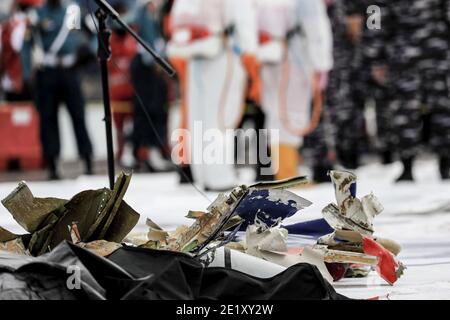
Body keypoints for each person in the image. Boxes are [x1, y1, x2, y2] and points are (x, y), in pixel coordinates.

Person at [167, 0, 260, 191]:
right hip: (221, 54)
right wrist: (250, 57)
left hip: (194, 56)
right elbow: (243, 22)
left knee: (198, 119)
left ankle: (205, 174)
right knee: (220, 119)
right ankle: (219, 177)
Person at [366, 0, 450, 181]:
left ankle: (428, 164)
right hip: (421, 50)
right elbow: (376, 15)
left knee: (434, 109)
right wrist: (377, 58)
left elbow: (376, 16)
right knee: (414, 110)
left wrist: (375, 57)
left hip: (420, 50)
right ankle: (413, 165)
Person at [255, 0, 333, 180]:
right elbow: (316, 29)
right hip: (295, 58)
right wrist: (322, 64)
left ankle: (283, 173)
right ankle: (287, 175)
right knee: (291, 116)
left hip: (267, 57)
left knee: (275, 115)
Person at [30, 0, 93, 180]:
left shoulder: (72, 10)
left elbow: (88, 34)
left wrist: (86, 50)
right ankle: (52, 163)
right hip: (47, 71)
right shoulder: (38, 13)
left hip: (70, 70)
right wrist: (27, 73)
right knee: (48, 118)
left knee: (78, 115)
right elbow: (29, 42)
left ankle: (87, 159)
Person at [129, 0, 172, 173]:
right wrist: (155, 60)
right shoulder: (144, 9)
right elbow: (146, 36)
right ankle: (144, 152)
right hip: (147, 64)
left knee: (158, 109)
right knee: (146, 109)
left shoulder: (160, 8)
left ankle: (154, 150)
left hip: (157, 63)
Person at [0, 0, 41, 102]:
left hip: (14, 80)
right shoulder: (22, 25)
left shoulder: (9, 24)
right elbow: (16, 47)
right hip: (19, 80)